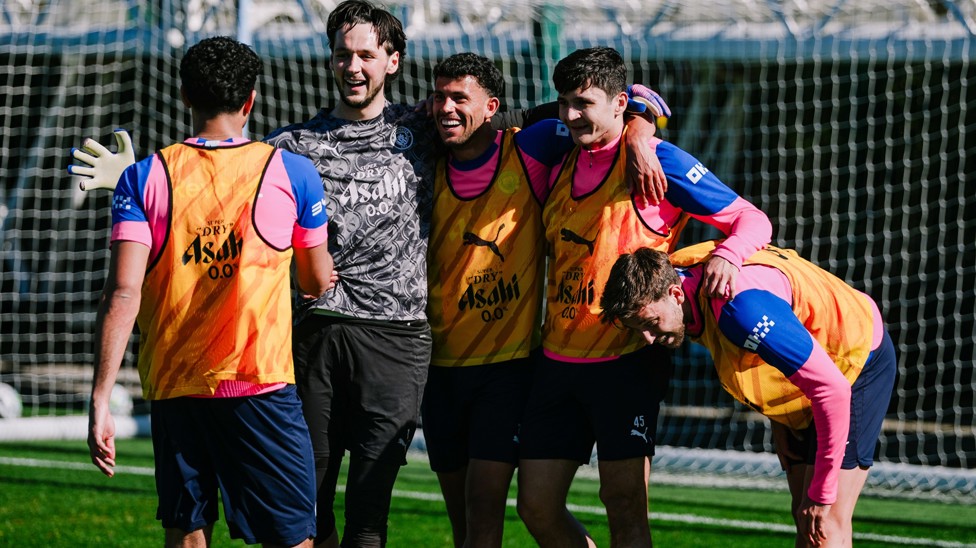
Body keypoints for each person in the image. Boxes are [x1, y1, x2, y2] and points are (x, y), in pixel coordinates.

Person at [515, 47, 773, 548]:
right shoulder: (558, 151)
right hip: (556, 360)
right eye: (563, 102)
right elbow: (529, 119)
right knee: (537, 507)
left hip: (626, 361)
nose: (570, 115)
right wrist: (639, 120)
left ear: (616, 102)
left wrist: (730, 255)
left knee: (625, 508)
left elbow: (752, 219)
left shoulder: (661, 162)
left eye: (583, 103)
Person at [86, 36, 334, 548]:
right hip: (259, 385)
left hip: (176, 386)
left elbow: (122, 293)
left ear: (184, 96)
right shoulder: (291, 171)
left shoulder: (143, 177)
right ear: (251, 101)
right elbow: (314, 281)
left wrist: (100, 396)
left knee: (187, 531)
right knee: (290, 539)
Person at [423, 53, 672, 547]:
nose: (446, 108)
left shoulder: (533, 141)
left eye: (460, 98)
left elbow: (623, 102)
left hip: (513, 364)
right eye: (440, 97)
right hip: (436, 363)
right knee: (471, 519)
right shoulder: (419, 142)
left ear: (492, 106)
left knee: (488, 504)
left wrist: (641, 130)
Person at [599, 242, 897, 548]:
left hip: (854, 363)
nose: (648, 339)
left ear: (675, 294)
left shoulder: (739, 310)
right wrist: (785, 418)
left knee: (824, 525)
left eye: (650, 324)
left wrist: (821, 494)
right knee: (804, 519)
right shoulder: (675, 279)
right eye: (639, 329)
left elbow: (831, 389)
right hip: (809, 379)